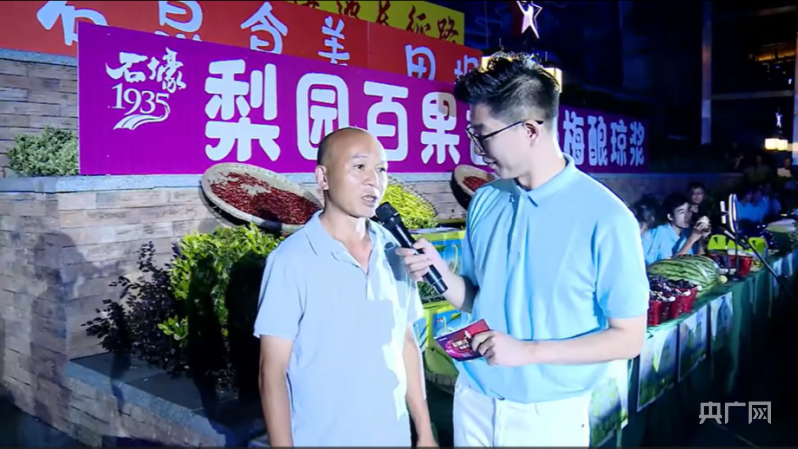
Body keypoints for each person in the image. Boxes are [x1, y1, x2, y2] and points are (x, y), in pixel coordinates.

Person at [398, 53, 648, 447]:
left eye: (484, 135)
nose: (478, 150)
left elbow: (629, 339)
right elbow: (480, 299)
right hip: (474, 399)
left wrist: (528, 352)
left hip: (548, 416)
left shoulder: (607, 218)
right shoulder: (486, 201)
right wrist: (440, 276)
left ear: (530, 129)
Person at [253, 127, 436, 447]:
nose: (373, 180)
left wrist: (425, 432)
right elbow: (272, 372)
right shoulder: (291, 260)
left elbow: (406, 342)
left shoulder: (394, 249)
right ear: (323, 177)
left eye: (381, 169)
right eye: (359, 166)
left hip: (392, 436)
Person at [641, 193, 710, 265]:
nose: (687, 216)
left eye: (689, 210)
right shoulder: (660, 233)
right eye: (682, 212)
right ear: (670, 216)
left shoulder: (687, 233)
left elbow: (699, 263)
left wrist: (701, 241)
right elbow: (671, 267)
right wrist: (692, 239)